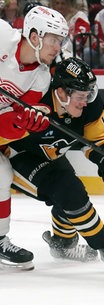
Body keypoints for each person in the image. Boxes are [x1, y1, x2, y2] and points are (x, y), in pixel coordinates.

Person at [8, 57, 104, 271]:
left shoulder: (90, 107)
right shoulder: (36, 101)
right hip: (17, 156)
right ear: (62, 93)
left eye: (89, 95)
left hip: (49, 156)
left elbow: (96, 140)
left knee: (70, 194)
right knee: (69, 189)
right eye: (81, 96)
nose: (86, 102)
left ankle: (62, 245)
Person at [0, 5, 69, 271]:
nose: (57, 47)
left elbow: (8, 126)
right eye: (53, 39)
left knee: (2, 172)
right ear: (35, 36)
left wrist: (21, 123)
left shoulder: (40, 78)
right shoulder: (3, 36)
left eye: (60, 41)